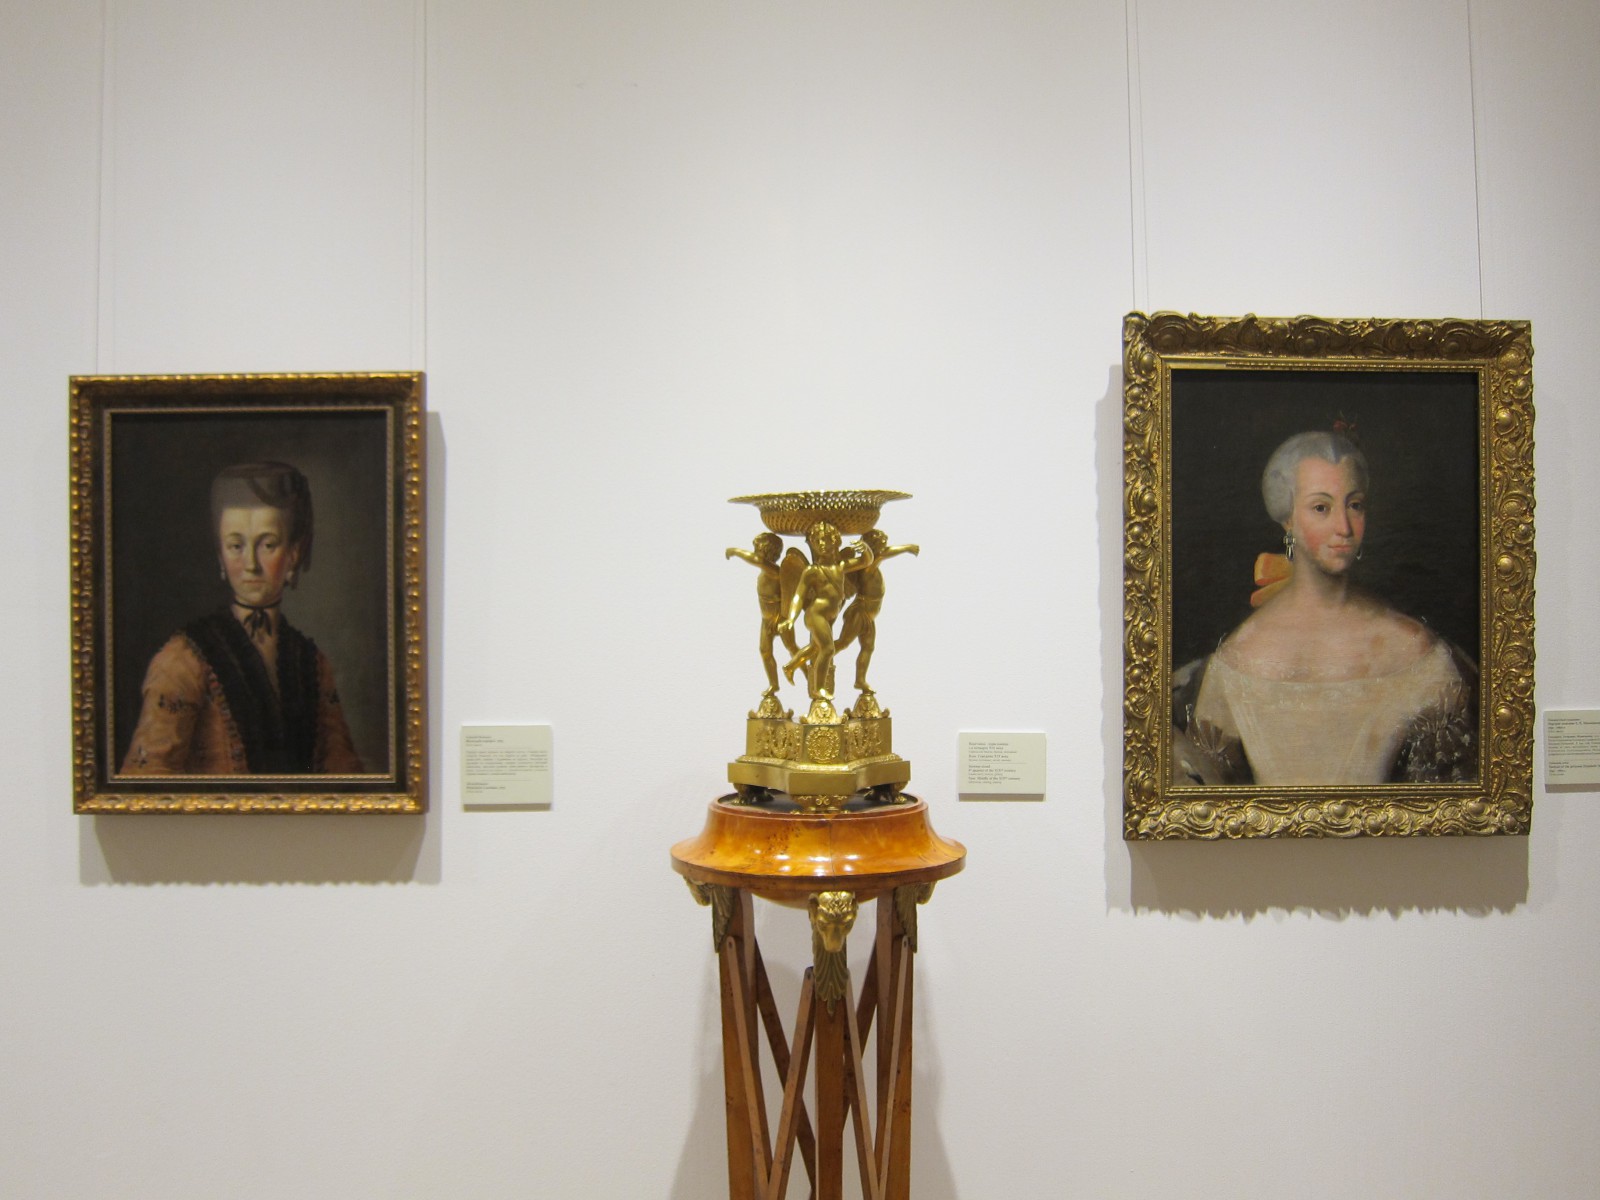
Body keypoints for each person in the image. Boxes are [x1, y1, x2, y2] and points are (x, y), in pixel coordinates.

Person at [1171, 430, 1476, 786]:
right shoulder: (1237, 659)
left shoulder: (1416, 650)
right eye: (1321, 508)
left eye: (1354, 505)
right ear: (1287, 519)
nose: (1344, 527)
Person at [121, 462, 363, 775]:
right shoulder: (182, 660)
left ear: (293, 554)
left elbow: (344, 775)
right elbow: (146, 778)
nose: (250, 564)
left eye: (267, 544)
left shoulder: (312, 663)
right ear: (220, 557)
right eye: (236, 546)